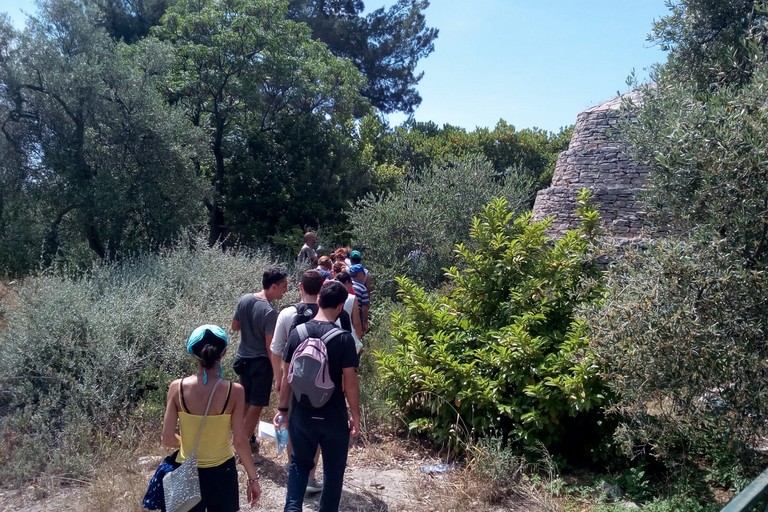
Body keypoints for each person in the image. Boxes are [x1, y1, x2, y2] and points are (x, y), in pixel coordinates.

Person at [275, 281, 361, 512]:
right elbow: (350, 383)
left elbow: (286, 377)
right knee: (333, 472)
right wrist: (355, 416)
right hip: (333, 417)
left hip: (302, 414)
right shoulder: (344, 339)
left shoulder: (297, 333)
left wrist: (282, 410)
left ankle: (292, 509)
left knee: (299, 466)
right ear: (341, 306)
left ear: (319, 301)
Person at [162, 324, 260, 511]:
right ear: (223, 353)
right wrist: (253, 479)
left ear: (192, 354)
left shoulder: (177, 388)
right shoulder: (235, 391)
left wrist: (190, 443)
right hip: (222, 473)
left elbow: (167, 438)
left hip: (186, 471)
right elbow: (239, 441)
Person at [270, 269, 325, 493]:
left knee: (293, 425)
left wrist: (278, 379)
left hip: (292, 379)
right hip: (323, 382)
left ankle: (296, 470)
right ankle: (311, 476)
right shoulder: (330, 313)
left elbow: (276, 350)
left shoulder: (286, 314)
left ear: (300, 287)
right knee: (318, 426)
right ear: (322, 288)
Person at [232, 268, 288, 452]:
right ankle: (242, 446)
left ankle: (239, 440)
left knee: (245, 403)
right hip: (260, 363)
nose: (285, 291)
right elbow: (270, 347)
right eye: (283, 286)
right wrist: (277, 373)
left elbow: (235, 326)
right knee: (255, 406)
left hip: (243, 359)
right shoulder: (270, 312)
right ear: (273, 286)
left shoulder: (245, 299)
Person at [335, 271, 363, 352]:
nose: (352, 285)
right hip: (348, 335)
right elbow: (356, 323)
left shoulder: (328, 296)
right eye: (351, 283)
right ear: (347, 282)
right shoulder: (352, 298)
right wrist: (359, 338)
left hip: (332, 334)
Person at [348, 263, 370, 334]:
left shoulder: (344, 285)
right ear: (360, 275)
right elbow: (364, 309)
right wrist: (365, 322)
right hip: (357, 318)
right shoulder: (362, 288)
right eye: (364, 274)